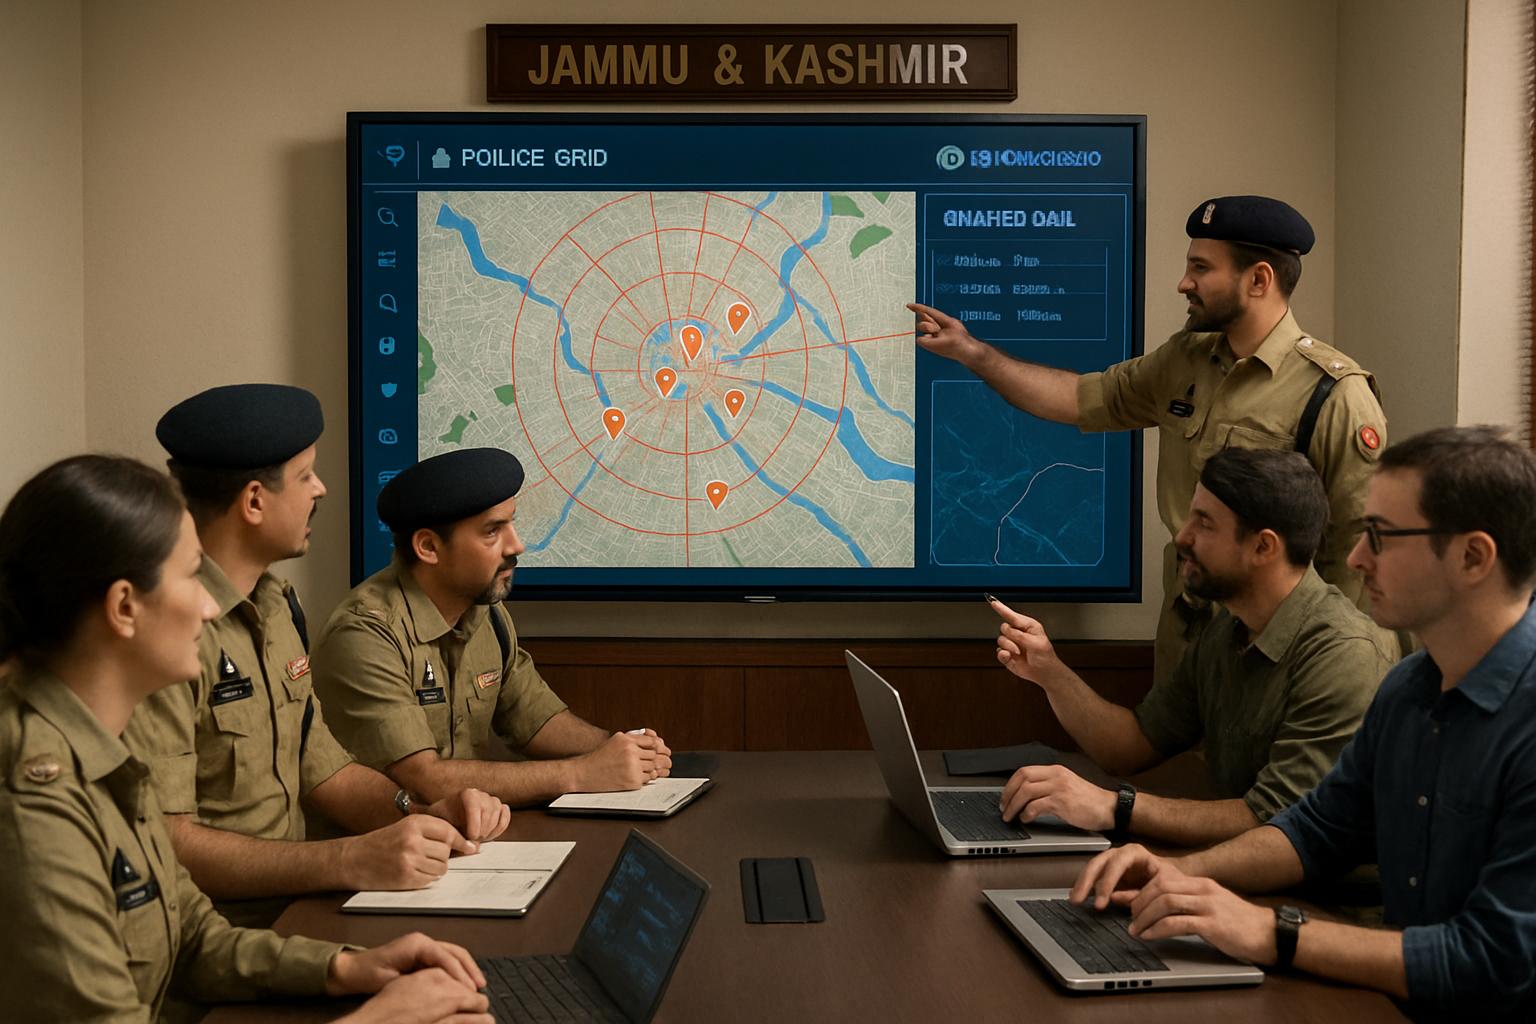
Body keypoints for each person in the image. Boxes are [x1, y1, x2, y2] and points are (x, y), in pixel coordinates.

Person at [0, 453, 491, 1023]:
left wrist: (346, 968)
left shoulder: (100, 751)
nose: (211, 607)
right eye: (190, 576)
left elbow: (191, 938)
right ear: (125, 607)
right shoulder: (33, 805)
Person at [1070, 426, 1536, 1019]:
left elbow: (1495, 959)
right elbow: (1315, 832)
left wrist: (1274, 932)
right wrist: (1176, 876)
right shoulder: (1410, 687)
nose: (1356, 558)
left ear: (1473, 557)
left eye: (1380, 536)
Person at [910, 195, 1390, 684]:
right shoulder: (1186, 359)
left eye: (1201, 268)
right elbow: (1079, 397)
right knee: (1175, 759)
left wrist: (1322, 663)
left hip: (1272, 655)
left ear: (1259, 280)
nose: (1184, 283)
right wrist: (974, 353)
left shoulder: (1335, 394)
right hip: (1186, 639)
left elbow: (1357, 552)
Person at [124, 384, 509, 930]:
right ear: (255, 501)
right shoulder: (168, 631)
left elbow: (322, 768)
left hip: (297, 911)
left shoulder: (278, 607)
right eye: (305, 476)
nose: (321, 489)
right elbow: (169, 841)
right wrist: (348, 859)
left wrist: (419, 815)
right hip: (211, 938)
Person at [993, 448, 1395, 846]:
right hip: (1240, 881)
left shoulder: (1344, 654)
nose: (1183, 537)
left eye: (1204, 523)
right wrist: (1050, 672)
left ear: (1263, 547)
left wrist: (1115, 807)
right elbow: (1130, 745)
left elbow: (1276, 822)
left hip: (1329, 903)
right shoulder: (1228, 632)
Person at [311, 447, 672, 806]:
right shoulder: (364, 635)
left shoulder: (487, 613)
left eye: (511, 524)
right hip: (380, 850)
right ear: (428, 547)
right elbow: (424, 780)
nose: (517, 545)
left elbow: (535, 720)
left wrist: (621, 749)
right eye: (492, 531)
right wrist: (583, 774)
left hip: (466, 839)